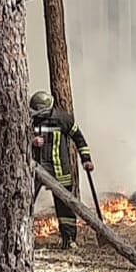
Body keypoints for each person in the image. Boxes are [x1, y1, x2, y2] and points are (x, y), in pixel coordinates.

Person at [29, 90, 94, 248]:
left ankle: (69, 239)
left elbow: (79, 138)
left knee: (64, 206)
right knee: (26, 200)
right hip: (37, 169)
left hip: (60, 171)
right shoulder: (31, 121)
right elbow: (17, 136)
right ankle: (23, 236)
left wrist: (86, 159)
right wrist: (31, 140)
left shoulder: (63, 119)